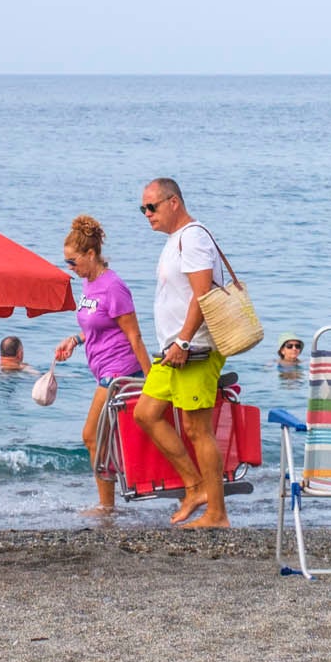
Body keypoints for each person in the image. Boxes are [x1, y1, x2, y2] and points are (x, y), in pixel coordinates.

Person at [135, 176, 232, 527]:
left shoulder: (192, 238)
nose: (147, 213)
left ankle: (218, 514)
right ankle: (195, 487)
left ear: (173, 202)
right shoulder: (176, 240)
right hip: (172, 349)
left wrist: (184, 340)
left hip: (195, 348)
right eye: (143, 208)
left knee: (197, 429)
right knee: (145, 412)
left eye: (152, 206)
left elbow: (202, 295)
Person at [50, 214, 150, 513]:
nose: (70, 267)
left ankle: (107, 506)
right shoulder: (89, 284)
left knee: (92, 436)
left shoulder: (113, 286)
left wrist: (151, 379)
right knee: (111, 438)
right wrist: (76, 340)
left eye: (72, 261)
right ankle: (121, 493)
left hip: (119, 371)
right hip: (102, 370)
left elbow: (134, 335)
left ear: (91, 255)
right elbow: (100, 324)